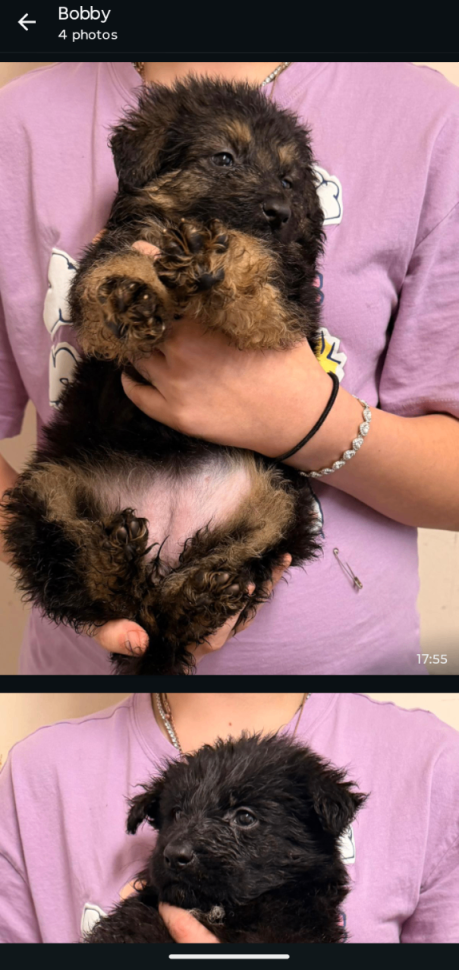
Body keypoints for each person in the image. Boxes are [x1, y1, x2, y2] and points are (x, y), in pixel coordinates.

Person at [0, 61, 458, 675]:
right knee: (51, 501)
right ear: (148, 164)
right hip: (85, 576)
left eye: (288, 181)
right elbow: (102, 299)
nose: (273, 197)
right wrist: (72, 583)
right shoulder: (18, 125)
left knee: (274, 518)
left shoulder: (427, 116)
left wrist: (308, 421)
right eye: (223, 159)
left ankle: (202, 589)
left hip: (352, 663)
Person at [0, 691, 458, 943]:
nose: (179, 845)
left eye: (243, 818)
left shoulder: (429, 758)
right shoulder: (36, 771)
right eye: (177, 814)